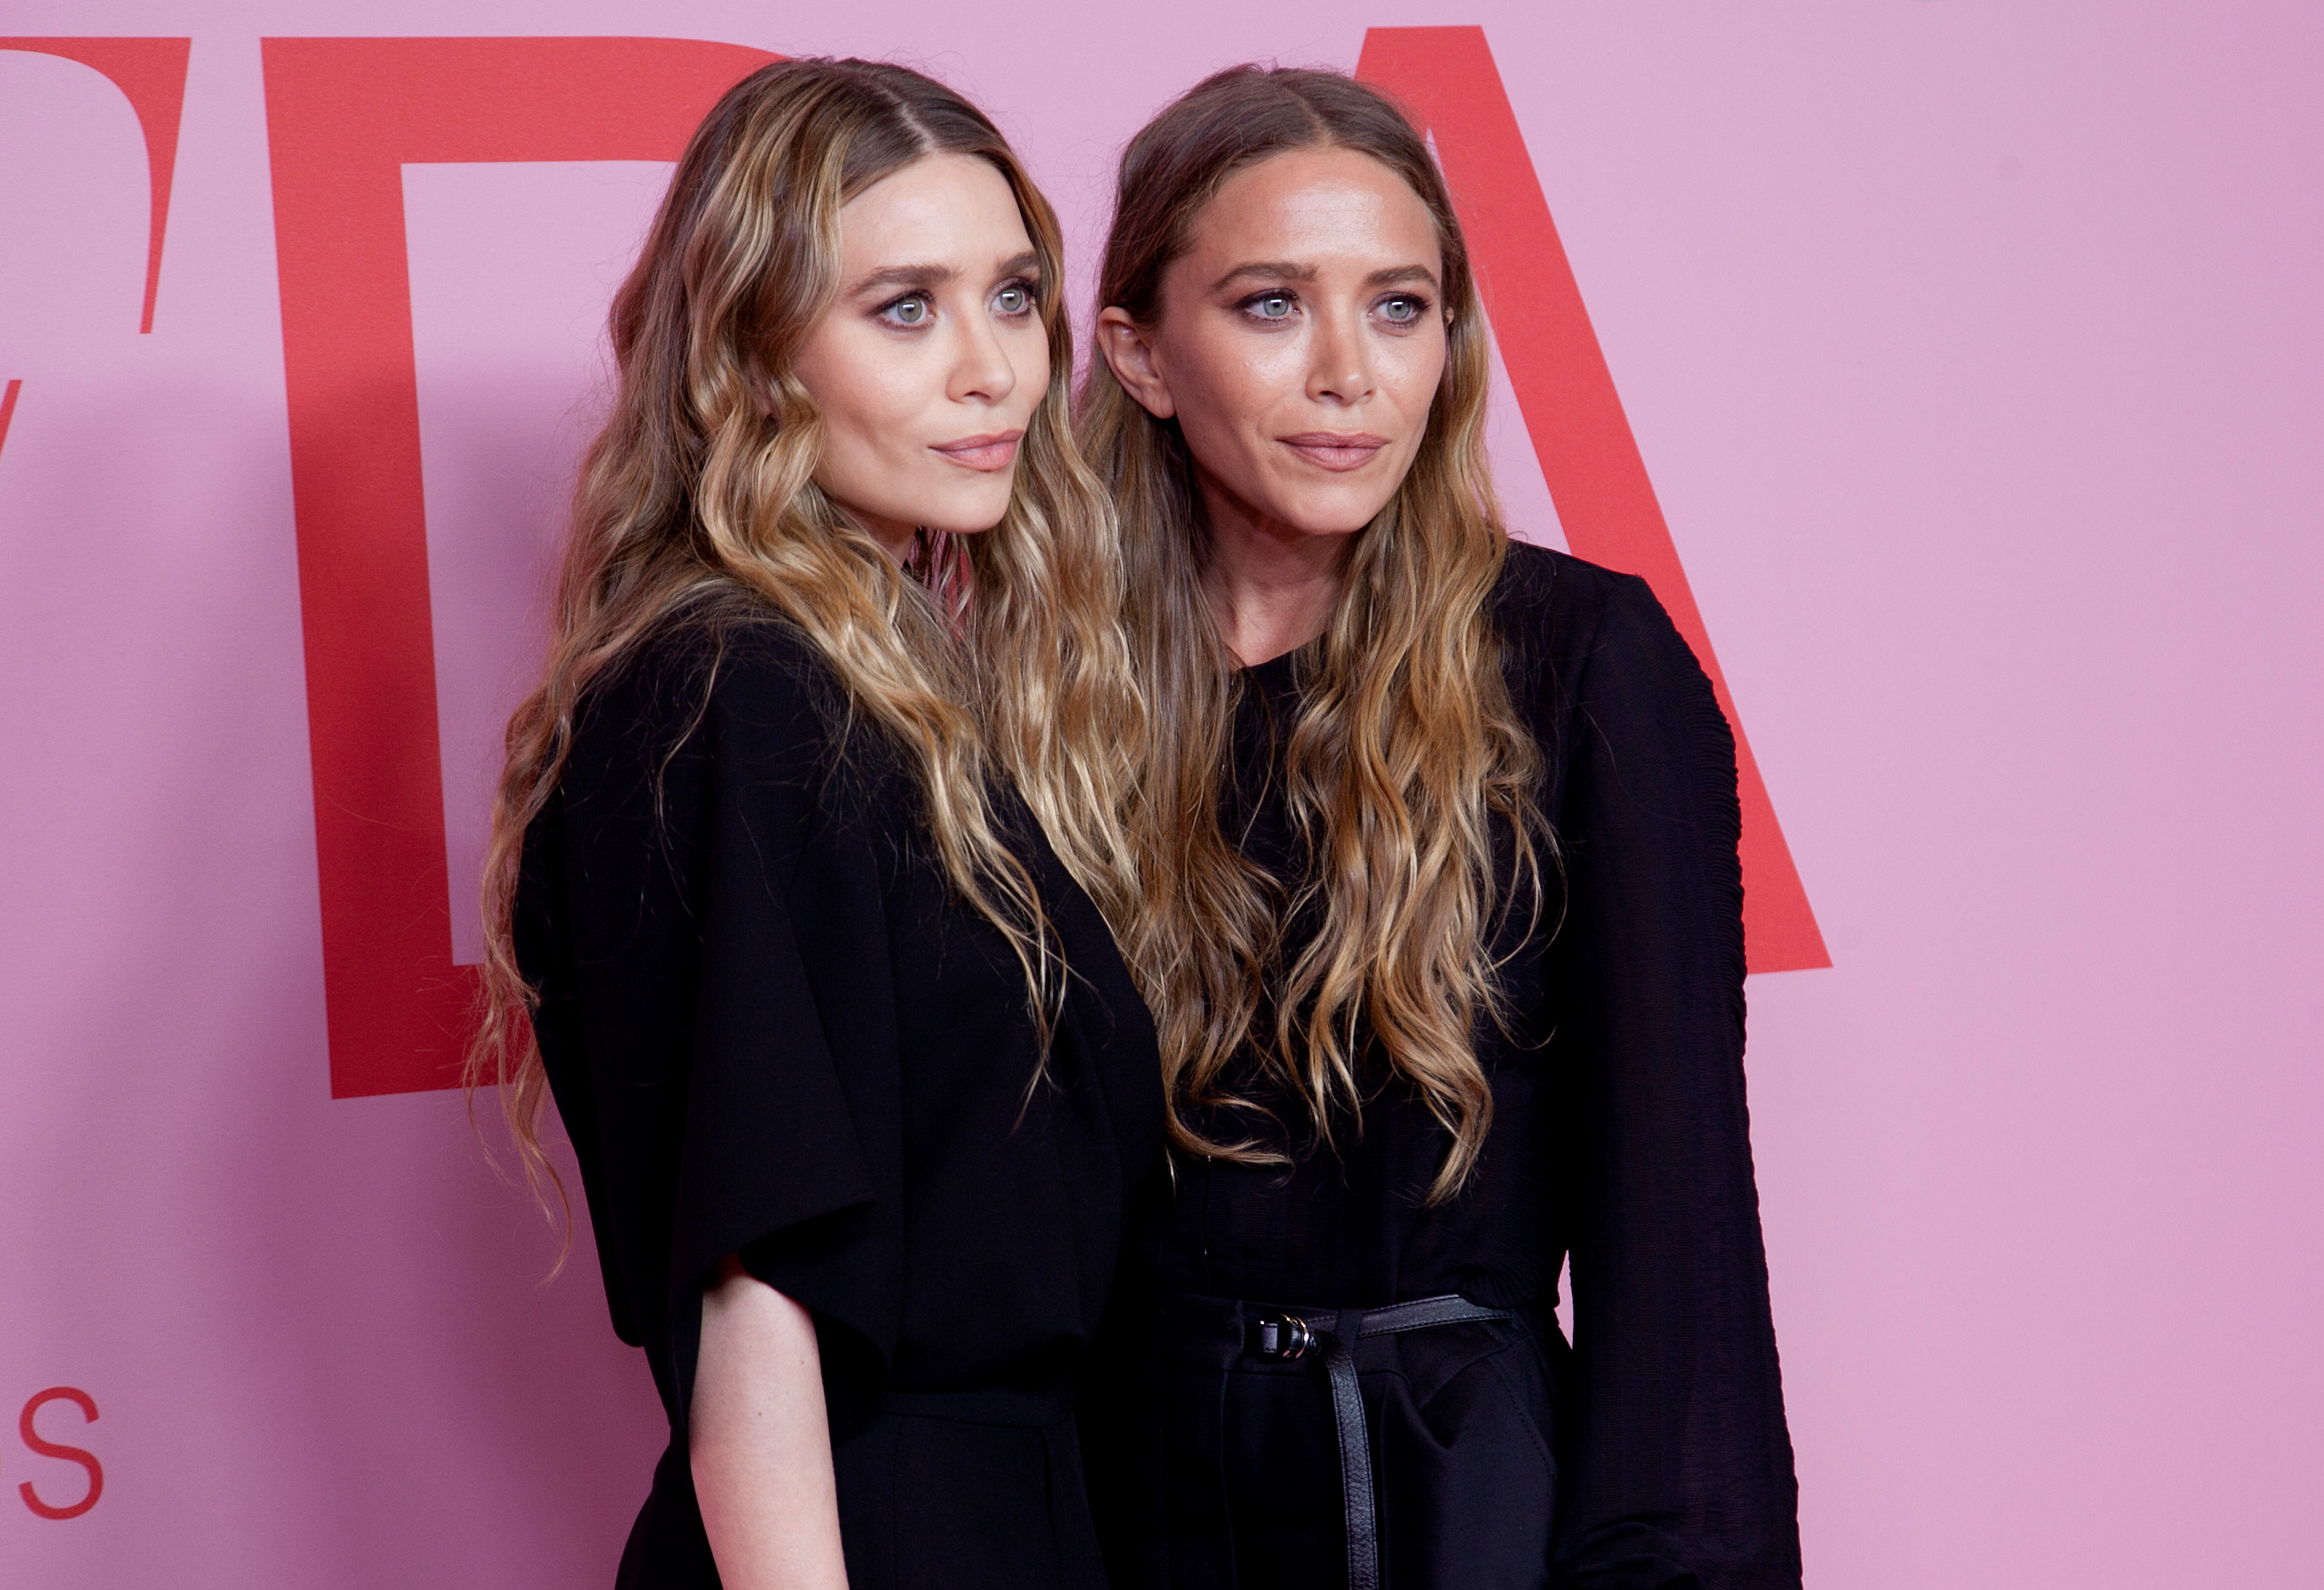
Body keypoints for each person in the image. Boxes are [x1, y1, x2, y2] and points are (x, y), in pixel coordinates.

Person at [1075, 66, 1800, 1589]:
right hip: (1107, 1506)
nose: (1350, 372)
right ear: (1141, 355)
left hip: (1461, 1516)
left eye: (1399, 307)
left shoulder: (1580, 661)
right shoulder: (1030, 693)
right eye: (1271, 305)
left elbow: (1676, 1250)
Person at [473, 58, 1161, 1590]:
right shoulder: (728, 694)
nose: (992, 369)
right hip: (874, 1533)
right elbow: (752, 1292)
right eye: (903, 308)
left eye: (1012, 295)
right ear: (753, 353)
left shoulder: (899, 693)